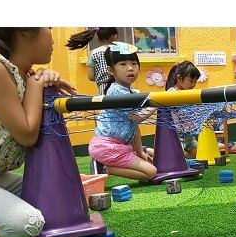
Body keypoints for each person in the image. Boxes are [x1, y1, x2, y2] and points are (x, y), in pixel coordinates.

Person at [0, 27, 76, 237]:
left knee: (63, 197)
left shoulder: (23, 73)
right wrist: (36, 85)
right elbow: (27, 135)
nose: (52, 34)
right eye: (48, 26)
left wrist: (39, 80)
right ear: (26, 31)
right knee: (28, 225)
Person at [88, 42, 157, 181]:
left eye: (134, 63)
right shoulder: (116, 91)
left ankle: (112, 163)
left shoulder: (130, 92)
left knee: (151, 163)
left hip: (119, 146)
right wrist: (156, 104)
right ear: (110, 70)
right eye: (123, 64)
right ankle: (105, 168)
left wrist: (139, 152)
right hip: (108, 147)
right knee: (151, 172)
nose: (130, 68)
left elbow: (134, 126)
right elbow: (137, 117)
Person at [66, 27, 119, 95]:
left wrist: (101, 77)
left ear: (98, 38)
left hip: (103, 92)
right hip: (123, 90)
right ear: (115, 36)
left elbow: (91, 76)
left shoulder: (93, 53)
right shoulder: (121, 51)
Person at [165, 61, 201, 159]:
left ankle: (180, 155)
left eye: (195, 81)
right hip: (177, 135)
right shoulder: (172, 92)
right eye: (190, 80)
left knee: (199, 155)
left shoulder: (186, 92)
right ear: (179, 78)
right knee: (175, 161)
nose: (193, 84)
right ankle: (156, 153)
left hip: (188, 134)